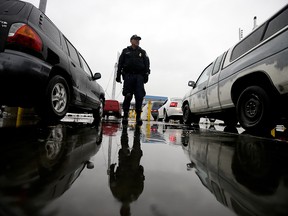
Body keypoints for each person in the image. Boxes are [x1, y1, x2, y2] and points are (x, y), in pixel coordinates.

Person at [109, 125, 145, 216]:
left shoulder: (118, 194)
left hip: (124, 165)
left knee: (126, 145)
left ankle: (126, 129)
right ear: (129, 209)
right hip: (132, 166)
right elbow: (140, 183)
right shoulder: (134, 195)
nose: (125, 208)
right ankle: (135, 129)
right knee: (135, 145)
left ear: (122, 209)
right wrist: (141, 173)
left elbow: (112, 181)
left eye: (124, 210)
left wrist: (112, 170)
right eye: (127, 210)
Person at [116, 34, 150, 125]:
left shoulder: (142, 52)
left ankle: (138, 117)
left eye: (138, 40)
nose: (137, 41)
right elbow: (120, 63)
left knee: (139, 96)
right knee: (127, 96)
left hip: (139, 77)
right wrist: (118, 75)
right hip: (128, 76)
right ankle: (125, 116)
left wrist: (146, 74)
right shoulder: (125, 51)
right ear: (131, 41)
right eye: (135, 40)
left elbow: (147, 63)